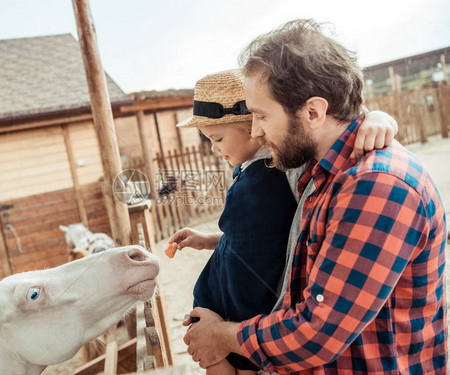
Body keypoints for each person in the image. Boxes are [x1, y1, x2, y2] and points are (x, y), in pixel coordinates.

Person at [182, 19, 447, 375]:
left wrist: (223, 338)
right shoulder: (316, 173)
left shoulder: (375, 186)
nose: (256, 131)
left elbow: (316, 333)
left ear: (312, 112)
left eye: (261, 115)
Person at [171, 69, 400, 374]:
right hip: (231, 300)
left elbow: (259, 251)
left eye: (217, 138)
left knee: (222, 361)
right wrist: (209, 240)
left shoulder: (280, 166)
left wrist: (379, 118)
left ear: (253, 125)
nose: (214, 149)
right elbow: (253, 238)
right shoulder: (259, 166)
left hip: (241, 304)